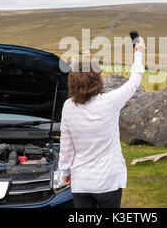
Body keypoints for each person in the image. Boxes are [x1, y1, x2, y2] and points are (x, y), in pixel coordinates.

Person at [58, 37, 145, 208]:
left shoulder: (68, 106)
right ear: (96, 79)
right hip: (109, 181)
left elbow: (66, 144)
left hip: (81, 182)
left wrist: (66, 171)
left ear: (72, 82)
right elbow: (135, 80)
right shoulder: (110, 101)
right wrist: (139, 52)